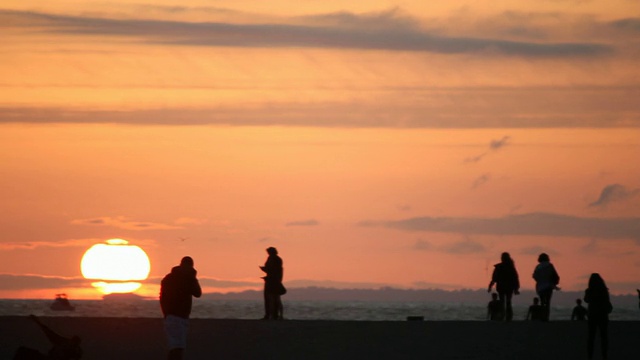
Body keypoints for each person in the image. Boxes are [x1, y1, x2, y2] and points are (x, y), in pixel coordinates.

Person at [160, 256, 202, 360]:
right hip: (179, 317)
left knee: (175, 347)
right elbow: (198, 293)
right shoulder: (188, 278)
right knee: (178, 348)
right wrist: (193, 276)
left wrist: (166, 313)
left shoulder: (168, 278)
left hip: (171, 316)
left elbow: (162, 297)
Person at [13, 314, 82, 360]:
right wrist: (37, 321)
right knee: (23, 351)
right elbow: (48, 332)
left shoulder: (75, 351)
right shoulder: (63, 342)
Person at [584, 273, 612, 360]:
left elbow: (586, 300)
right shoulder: (604, 290)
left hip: (592, 315)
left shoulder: (589, 290)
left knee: (591, 337)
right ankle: (604, 356)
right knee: (604, 336)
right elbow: (607, 302)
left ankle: (590, 356)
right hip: (603, 315)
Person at [487, 252, 520, 321]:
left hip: (501, 287)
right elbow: (515, 278)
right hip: (509, 287)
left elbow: (494, 278)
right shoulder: (511, 267)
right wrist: (516, 288)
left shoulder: (499, 267)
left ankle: (502, 316)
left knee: (502, 302)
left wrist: (490, 286)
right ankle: (509, 317)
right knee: (508, 302)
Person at [532, 253, 560, 321]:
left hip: (540, 287)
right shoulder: (550, 266)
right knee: (547, 302)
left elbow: (535, 276)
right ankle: (546, 317)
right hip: (549, 286)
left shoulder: (538, 267)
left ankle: (542, 316)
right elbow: (555, 275)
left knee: (542, 302)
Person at [260, 247, 285, 320]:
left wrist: (266, 270)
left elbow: (273, 270)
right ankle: (273, 315)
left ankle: (273, 315)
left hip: (273, 281)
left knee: (273, 298)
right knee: (273, 299)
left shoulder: (275, 259)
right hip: (272, 280)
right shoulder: (274, 259)